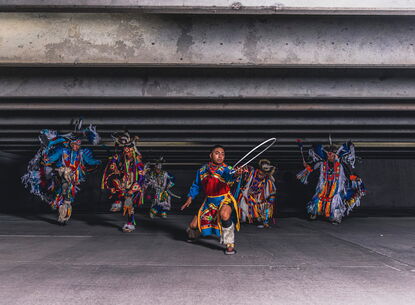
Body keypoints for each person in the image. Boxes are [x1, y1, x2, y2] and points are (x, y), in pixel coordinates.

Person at [22, 122, 101, 225]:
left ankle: (63, 216)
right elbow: (52, 158)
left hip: (73, 178)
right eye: (75, 144)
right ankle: (57, 199)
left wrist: (99, 162)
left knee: (68, 199)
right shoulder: (62, 150)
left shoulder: (81, 153)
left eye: (79, 144)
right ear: (71, 144)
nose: (77, 146)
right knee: (63, 184)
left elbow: (90, 161)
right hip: (60, 173)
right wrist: (46, 159)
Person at [181, 145, 243, 255]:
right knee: (193, 226)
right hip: (209, 201)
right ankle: (195, 234)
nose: (220, 156)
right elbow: (196, 185)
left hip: (224, 199)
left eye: (222, 153)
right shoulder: (202, 170)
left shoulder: (227, 169)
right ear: (211, 155)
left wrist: (236, 174)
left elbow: (230, 176)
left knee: (224, 215)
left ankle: (229, 244)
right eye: (217, 153)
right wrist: (190, 198)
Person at [297, 141, 366, 224]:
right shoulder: (322, 163)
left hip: (337, 188)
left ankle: (335, 217)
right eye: (328, 154)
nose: (329, 156)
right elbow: (312, 167)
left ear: (335, 155)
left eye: (332, 154)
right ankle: (313, 213)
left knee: (335, 201)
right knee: (318, 198)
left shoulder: (341, 165)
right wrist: (307, 168)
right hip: (324, 186)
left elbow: (349, 174)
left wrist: (355, 179)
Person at [102, 132, 146, 232]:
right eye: (126, 152)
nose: (127, 154)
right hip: (124, 183)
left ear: (133, 151)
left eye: (129, 152)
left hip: (134, 185)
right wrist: (114, 164)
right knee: (115, 182)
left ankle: (130, 223)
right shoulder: (122, 159)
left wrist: (133, 189)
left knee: (128, 203)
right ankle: (118, 201)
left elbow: (142, 178)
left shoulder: (137, 162)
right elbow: (114, 160)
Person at [238, 159, 276, 228]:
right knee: (242, 203)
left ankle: (264, 222)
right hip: (247, 195)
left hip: (259, 198)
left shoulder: (268, 180)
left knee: (265, 205)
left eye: (264, 174)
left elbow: (272, 193)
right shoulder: (251, 174)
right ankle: (241, 220)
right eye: (260, 173)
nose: (261, 176)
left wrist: (270, 202)